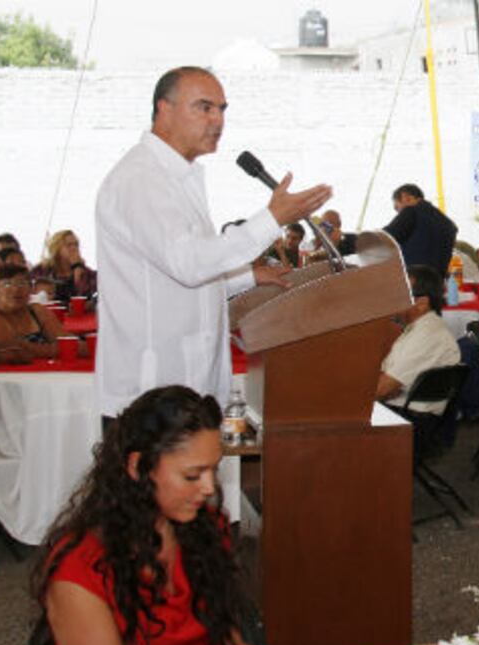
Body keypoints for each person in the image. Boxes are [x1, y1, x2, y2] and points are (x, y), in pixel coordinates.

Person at [94, 66, 331, 422]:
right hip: (151, 396)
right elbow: (188, 264)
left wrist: (248, 277)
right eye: (204, 108)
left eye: (222, 109)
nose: (217, 120)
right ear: (164, 109)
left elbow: (172, 278)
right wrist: (272, 219)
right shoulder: (140, 180)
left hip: (186, 390)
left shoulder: (178, 177)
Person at [31, 386, 283, 645]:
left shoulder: (205, 532)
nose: (209, 487)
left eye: (214, 469)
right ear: (138, 467)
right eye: (192, 475)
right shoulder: (80, 570)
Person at [376, 265, 461, 413]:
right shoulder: (420, 328)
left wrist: (385, 387)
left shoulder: (426, 336)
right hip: (400, 409)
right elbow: (385, 384)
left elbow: (380, 390)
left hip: (406, 418)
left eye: (400, 295)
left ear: (421, 303)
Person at [0, 265, 79, 359]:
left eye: (22, 283)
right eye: (7, 284)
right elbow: (18, 351)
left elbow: (70, 343)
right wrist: (60, 349)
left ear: (31, 289)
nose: (16, 289)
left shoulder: (37, 311)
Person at [384, 183, 458, 278]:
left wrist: (361, 240)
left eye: (397, 207)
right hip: (437, 283)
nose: (398, 213)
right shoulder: (448, 224)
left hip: (412, 280)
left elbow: (386, 237)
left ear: (406, 197)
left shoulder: (411, 212)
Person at [30, 230, 98, 303]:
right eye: (69, 245)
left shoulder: (88, 274)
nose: (73, 248)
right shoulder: (41, 270)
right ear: (57, 248)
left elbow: (84, 296)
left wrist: (77, 268)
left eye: (76, 244)